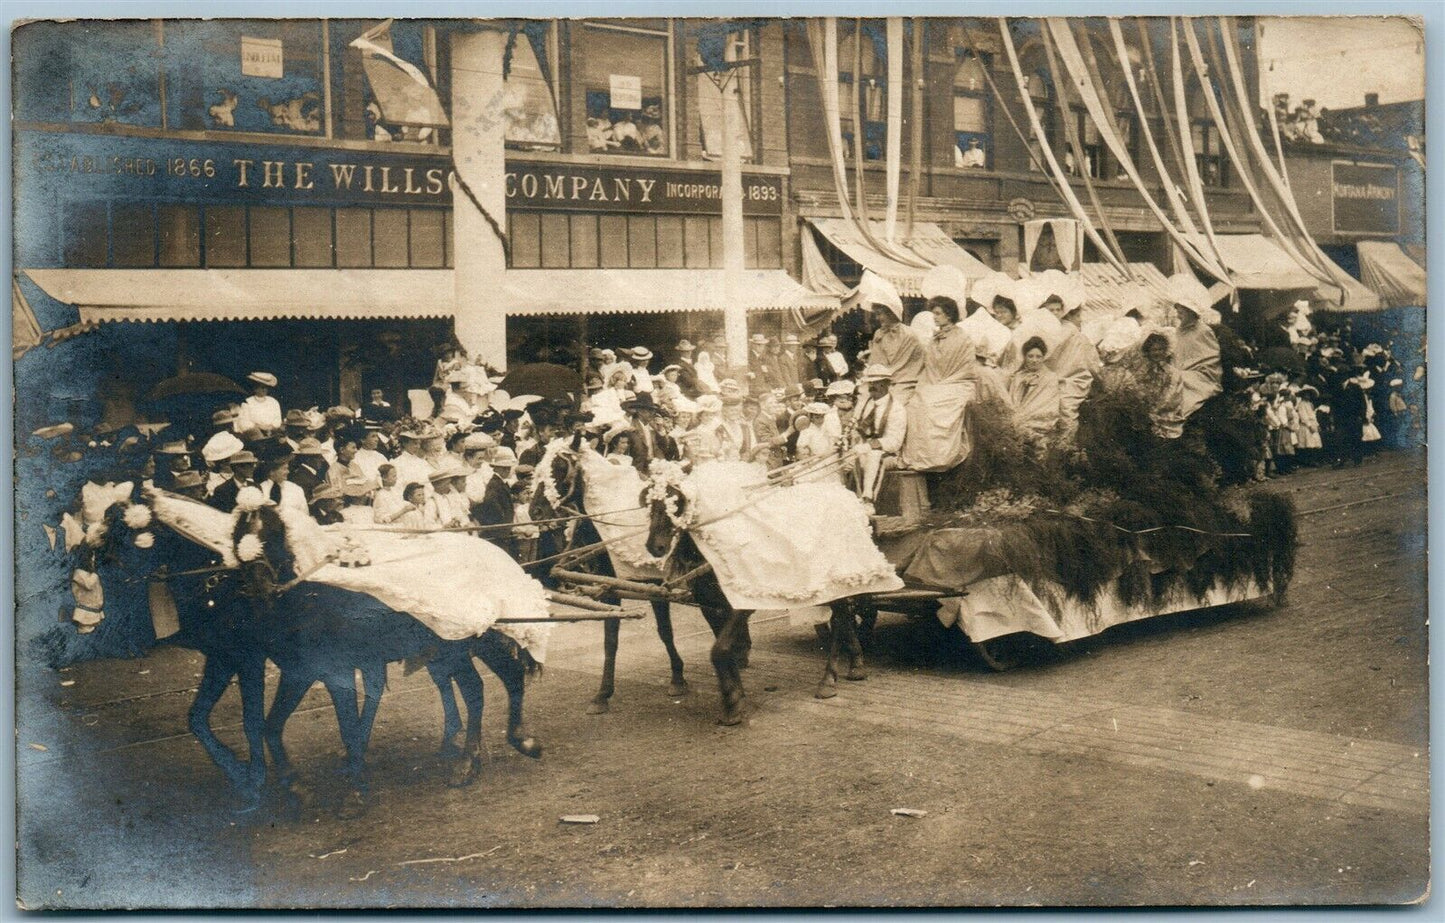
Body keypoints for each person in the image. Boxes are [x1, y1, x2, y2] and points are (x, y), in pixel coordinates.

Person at [900, 295, 979, 471]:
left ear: (949, 315)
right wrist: (932, 383)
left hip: (958, 383)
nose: (934, 317)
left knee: (932, 406)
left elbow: (966, 368)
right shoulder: (934, 339)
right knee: (915, 404)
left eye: (938, 313)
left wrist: (942, 384)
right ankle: (918, 457)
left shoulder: (963, 338)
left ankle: (939, 457)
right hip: (935, 383)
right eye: (933, 313)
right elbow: (930, 367)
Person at [858, 271, 923, 406]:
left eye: (880, 314)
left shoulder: (909, 335)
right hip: (880, 381)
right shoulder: (879, 334)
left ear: (891, 312)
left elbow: (911, 367)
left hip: (903, 383)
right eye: (876, 314)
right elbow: (876, 362)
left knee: (893, 405)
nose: (877, 318)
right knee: (863, 401)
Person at [1166, 274, 1224, 419]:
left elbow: (1209, 362)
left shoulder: (1203, 331)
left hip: (1198, 379)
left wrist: (1181, 374)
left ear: (1191, 311)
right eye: (1177, 311)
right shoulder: (1177, 331)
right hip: (1177, 375)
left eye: (1181, 311)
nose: (1178, 315)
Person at [852, 364, 908, 506]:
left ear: (886, 384)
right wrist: (855, 441)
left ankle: (868, 500)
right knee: (851, 456)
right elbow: (858, 427)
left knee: (874, 456)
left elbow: (895, 442)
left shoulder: (896, 409)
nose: (872, 386)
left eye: (877, 383)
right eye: (870, 383)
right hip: (864, 447)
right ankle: (852, 500)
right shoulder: (865, 404)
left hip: (888, 452)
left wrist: (870, 446)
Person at [1046, 298, 1100, 443]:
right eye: (1078, 316)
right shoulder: (1076, 336)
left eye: (1057, 310)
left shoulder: (1060, 332)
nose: (1080, 320)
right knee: (1065, 415)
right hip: (1063, 383)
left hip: (1060, 382)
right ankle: (1064, 448)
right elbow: (1093, 365)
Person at [1008, 336, 1062, 450]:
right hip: (1015, 426)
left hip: (1038, 429)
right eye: (1030, 356)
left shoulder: (1050, 378)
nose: (1034, 360)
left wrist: (1026, 421)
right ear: (1025, 357)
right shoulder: (1018, 377)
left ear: (1043, 358)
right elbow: (1012, 401)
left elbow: (1048, 406)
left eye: (1038, 357)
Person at [1134, 332, 1186, 439]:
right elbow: (1139, 390)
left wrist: (1154, 411)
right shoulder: (1144, 371)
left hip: (1166, 413)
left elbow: (1171, 396)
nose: (1157, 353)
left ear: (1165, 350)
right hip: (1147, 411)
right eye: (1154, 350)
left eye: (1160, 349)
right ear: (1148, 352)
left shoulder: (1173, 373)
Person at [392, 426, 437, 498]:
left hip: (426, 497)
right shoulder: (397, 463)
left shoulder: (422, 462)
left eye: (419, 444)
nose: (418, 446)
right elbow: (397, 487)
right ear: (405, 443)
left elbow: (430, 481)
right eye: (414, 443)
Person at [234, 372, 282, 438]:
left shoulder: (273, 402)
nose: (264, 390)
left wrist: (270, 427)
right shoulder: (247, 402)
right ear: (255, 388)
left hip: (272, 433)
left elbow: (277, 420)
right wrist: (258, 427)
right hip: (254, 434)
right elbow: (244, 422)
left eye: (266, 387)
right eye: (262, 387)